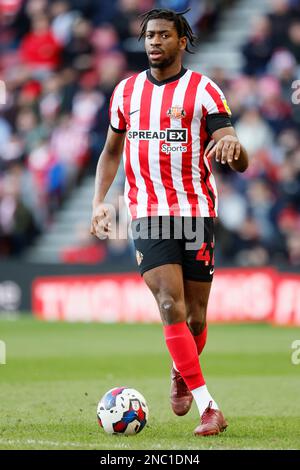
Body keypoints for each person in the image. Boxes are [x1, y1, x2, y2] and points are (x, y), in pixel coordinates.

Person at [90, 8, 249, 436]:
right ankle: (209, 407)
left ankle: (182, 370)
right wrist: (99, 201)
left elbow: (233, 147)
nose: (154, 42)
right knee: (167, 303)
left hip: (197, 213)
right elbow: (110, 151)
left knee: (195, 317)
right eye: (148, 36)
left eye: (163, 35)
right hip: (147, 213)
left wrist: (233, 145)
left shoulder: (203, 91)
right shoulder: (125, 93)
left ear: (182, 41)